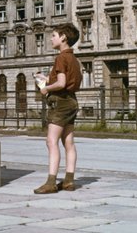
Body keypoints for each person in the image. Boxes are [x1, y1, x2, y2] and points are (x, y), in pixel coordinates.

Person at [33, 23, 82, 194]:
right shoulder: (74, 59)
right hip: (71, 101)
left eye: (53, 35)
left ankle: (51, 182)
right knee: (68, 142)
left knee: (51, 142)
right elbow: (66, 82)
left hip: (60, 102)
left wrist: (45, 88)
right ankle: (68, 181)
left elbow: (60, 84)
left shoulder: (61, 57)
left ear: (63, 38)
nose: (51, 38)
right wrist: (46, 78)